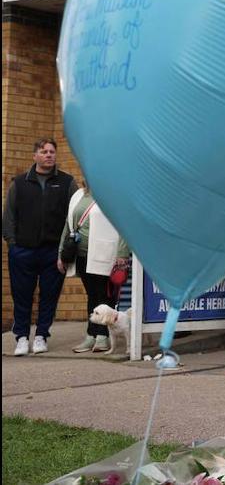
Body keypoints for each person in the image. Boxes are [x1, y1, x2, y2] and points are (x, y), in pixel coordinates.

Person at [3, 138, 78, 356]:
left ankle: (41, 336)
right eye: (44, 151)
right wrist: (12, 244)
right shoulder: (19, 183)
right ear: (35, 155)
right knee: (21, 295)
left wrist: (66, 249)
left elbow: (73, 218)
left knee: (49, 296)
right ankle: (22, 337)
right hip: (22, 251)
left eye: (52, 152)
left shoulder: (66, 182)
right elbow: (8, 216)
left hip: (53, 252)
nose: (48, 155)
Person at [57, 181, 130, 353]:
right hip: (81, 256)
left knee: (105, 295)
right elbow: (68, 225)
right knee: (92, 295)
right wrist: (61, 252)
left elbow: (124, 224)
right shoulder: (78, 195)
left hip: (105, 254)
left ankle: (103, 336)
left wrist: (122, 252)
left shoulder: (112, 194)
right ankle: (91, 335)